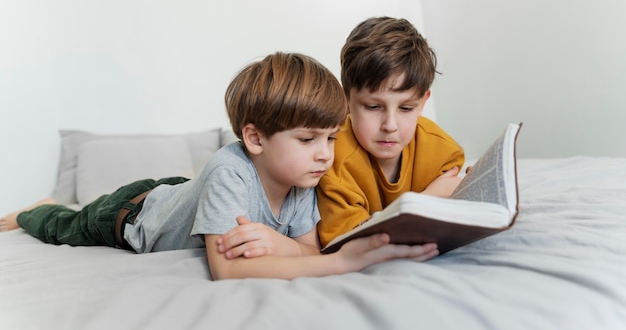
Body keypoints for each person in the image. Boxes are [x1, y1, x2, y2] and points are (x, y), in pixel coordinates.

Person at [0, 52, 437, 280]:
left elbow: (307, 248)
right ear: (255, 138)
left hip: (180, 193)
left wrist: (282, 244)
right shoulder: (230, 170)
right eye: (307, 139)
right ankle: (33, 209)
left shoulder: (304, 179)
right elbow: (228, 270)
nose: (325, 153)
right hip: (132, 211)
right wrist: (343, 264)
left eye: (329, 137)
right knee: (64, 224)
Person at [316, 17, 466, 249]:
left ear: (423, 103)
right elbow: (347, 243)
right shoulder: (331, 160)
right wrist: (424, 201)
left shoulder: (441, 149)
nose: (390, 125)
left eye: (406, 108)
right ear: (346, 99)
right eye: (373, 107)